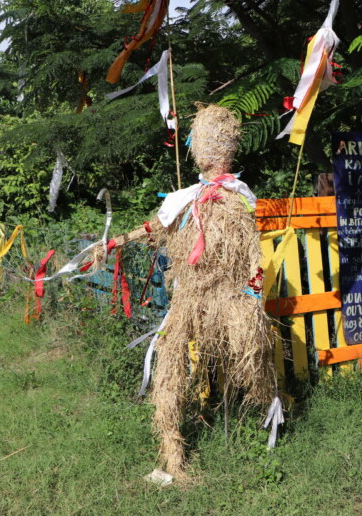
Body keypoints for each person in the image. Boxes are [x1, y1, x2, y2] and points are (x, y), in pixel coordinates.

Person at [101, 104, 276, 479]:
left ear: (230, 147)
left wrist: (252, 294)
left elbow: (253, 255)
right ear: (196, 148)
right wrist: (117, 240)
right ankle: (172, 456)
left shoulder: (240, 198)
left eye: (219, 141)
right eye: (206, 141)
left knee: (253, 346)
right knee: (168, 367)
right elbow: (156, 227)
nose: (211, 150)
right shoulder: (185, 198)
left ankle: (267, 415)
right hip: (190, 299)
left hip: (230, 297)